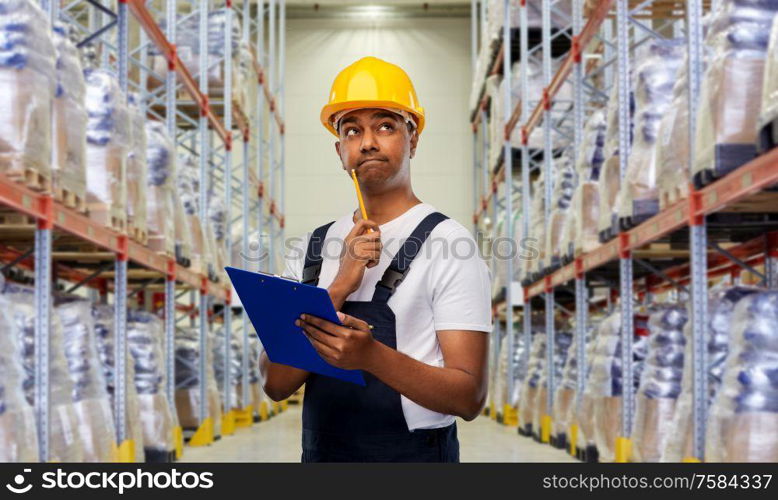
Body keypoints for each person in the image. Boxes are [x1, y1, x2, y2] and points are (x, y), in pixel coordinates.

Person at [260, 56, 492, 462]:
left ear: (413, 138)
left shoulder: (450, 244)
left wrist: (370, 357)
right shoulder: (312, 248)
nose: (367, 142)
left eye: (386, 126)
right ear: (340, 150)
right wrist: (337, 288)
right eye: (352, 130)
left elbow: (468, 396)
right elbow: (276, 383)